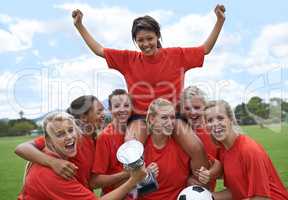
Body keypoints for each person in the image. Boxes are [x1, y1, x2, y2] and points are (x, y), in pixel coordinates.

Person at [72, 4, 225, 172]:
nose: (146, 44)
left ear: (157, 36)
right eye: (140, 40)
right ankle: (139, 188)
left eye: (150, 38)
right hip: (141, 118)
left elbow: (205, 49)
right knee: (131, 150)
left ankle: (198, 187)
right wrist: (79, 25)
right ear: (135, 41)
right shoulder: (128, 59)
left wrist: (219, 21)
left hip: (170, 116)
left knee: (197, 148)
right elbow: (99, 50)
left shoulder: (176, 55)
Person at [18, 112, 146, 200]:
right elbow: (21, 148)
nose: (68, 136)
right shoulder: (54, 174)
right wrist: (133, 181)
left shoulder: (84, 141)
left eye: (70, 130)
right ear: (49, 140)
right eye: (60, 134)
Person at [202, 100, 288, 200]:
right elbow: (236, 191)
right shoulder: (223, 150)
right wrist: (206, 197)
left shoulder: (249, 150)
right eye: (210, 120)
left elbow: (261, 198)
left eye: (220, 118)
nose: (215, 124)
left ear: (231, 119)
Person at [15, 95, 105, 188]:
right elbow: (21, 148)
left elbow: (91, 181)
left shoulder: (94, 140)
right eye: (99, 111)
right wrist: (53, 162)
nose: (104, 114)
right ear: (83, 117)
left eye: (103, 110)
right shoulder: (71, 137)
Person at [90, 89, 158, 199]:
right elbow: (94, 182)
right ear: (110, 109)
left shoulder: (137, 132)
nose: (122, 110)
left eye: (126, 105)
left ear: (132, 108)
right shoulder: (105, 137)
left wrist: (148, 172)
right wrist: (128, 174)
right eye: (117, 106)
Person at [138, 98, 190, 200]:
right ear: (152, 119)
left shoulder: (183, 146)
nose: (170, 122)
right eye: (164, 117)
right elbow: (132, 191)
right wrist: (145, 177)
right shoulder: (141, 147)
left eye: (172, 117)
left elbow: (213, 164)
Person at [179, 86, 220, 191]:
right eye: (187, 108)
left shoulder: (214, 134)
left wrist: (209, 174)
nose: (192, 112)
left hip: (203, 193)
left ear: (205, 108)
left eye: (197, 107)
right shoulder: (179, 133)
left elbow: (223, 169)